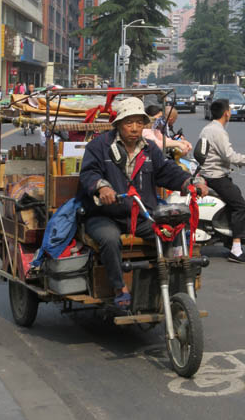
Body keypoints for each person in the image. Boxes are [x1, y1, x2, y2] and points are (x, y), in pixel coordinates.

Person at [78, 97, 207, 307]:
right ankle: (120, 288)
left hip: (141, 215)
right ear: (119, 124)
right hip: (105, 215)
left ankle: (170, 283)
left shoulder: (149, 149)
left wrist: (190, 182)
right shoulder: (99, 146)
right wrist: (102, 187)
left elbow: (167, 171)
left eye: (139, 122)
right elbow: (89, 174)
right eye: (129, 123)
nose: (135, 128)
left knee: (171, 231)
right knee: (110, 239)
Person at [199, 99, 245, 264]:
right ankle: (236, 250)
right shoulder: (218, 131)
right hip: (215, 176)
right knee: (241, 207)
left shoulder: (208, 128)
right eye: (230, 110)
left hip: (211, 174)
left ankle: (228, 238)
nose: (230, 112)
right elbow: (230, 156)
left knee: (235, 194)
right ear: (226, 113)